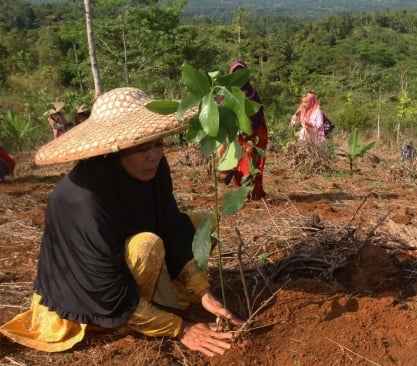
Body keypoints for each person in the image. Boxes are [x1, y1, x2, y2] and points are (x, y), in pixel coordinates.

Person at [0, 87, 244, 357]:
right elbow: (106, 289)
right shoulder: (84, 200)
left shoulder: (154, 168)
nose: (154, 155)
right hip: (87, 292)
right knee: (147, 246)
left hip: (120, 264)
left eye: (158, 143)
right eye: (142, 148)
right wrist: (180, 328)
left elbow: (170, 223)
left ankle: (161, 300)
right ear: (116, 150)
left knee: (202, 223)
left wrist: (202, 291)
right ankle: (113, 325)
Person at [216, 60, 268, 200]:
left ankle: (255, 193)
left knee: (253, 165)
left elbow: (259, 114)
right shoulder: (225, 92)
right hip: (236, 136)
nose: (239, 75)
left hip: (252, 136)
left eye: (241, 72)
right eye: (235, 72)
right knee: (239, 166)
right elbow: (219, 110)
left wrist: (258, 133)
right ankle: (242, 194)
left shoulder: (252, 93)